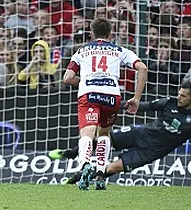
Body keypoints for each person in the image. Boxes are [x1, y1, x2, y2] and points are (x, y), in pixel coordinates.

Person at [50, 81, 191, 183]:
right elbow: (142, 106)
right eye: (179, 94)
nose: (179, 98)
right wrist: (112, 105)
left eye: (183, 96)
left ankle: (74, 180)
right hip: (140, 133)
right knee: (102, 138)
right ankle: (69, 153)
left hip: (149, 152)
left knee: (111, 168)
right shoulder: (169, 103)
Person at [59, 18, 148, 190]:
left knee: (87, 131)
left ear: (91, 34)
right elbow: (142, 68)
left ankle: (85, 165)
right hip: (112, 96)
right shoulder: (120, 50)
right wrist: (136, 98)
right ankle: (100, 172)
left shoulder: (82, 51)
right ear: (111, 34)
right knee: (104, 133)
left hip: (89, 94)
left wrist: (86, 80)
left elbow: (67, 78)